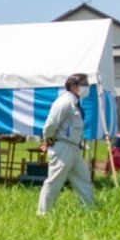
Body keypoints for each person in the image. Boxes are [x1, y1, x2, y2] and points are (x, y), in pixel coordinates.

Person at [37, 73, 96, 216]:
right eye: (84, 84)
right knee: (54, 182)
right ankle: (43, 214)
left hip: (74, 148)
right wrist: (50, 144)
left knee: (83, 179)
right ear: (74, 86)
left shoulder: (75, 103)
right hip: (63, 147)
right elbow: (50, 126)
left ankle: (89, 210)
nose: (87, 87)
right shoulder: (63, 102)